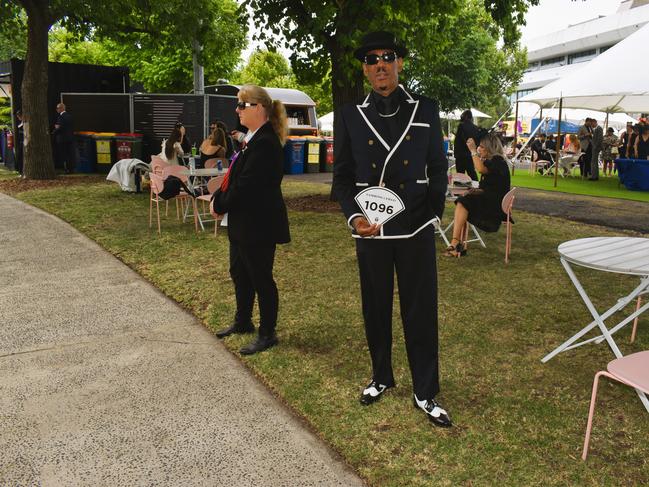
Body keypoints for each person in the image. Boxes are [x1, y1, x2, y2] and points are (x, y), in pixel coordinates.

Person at [332, 31, 451, 428]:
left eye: (387, 56)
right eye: (371, 59)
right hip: (371, 229)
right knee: (375, 305)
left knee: (421, 309)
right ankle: (381, 376)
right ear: (365, 70)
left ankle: (425, 390)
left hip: (415, 227)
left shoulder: (426, 108)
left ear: (399, 62)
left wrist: (432, 213)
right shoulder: (350, 115)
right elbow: (343, 177)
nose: (380, 64)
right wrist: (354, 217)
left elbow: (438, 167)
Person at [210, 84, 290, 355]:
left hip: (259, 226)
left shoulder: (266, 143)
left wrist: (219, 203)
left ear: (259, 108)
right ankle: (242, 321)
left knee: (260, 278)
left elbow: (247, 186)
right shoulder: (253, 139)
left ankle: (268, 334)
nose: (237, 110)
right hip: (243, 223)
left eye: (242, 105)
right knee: (240, 273)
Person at [445, 132, 511, 257]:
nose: (479, 149)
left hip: (495, 207)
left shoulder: (497, 160)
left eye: (482, 147)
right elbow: (492, 187)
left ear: (490, 148)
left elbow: (480, 169)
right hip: (492, 201)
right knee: (464, 200)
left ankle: (455, 243)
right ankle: (457, 244)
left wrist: (473, 150)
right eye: (478, 147)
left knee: (463, 202)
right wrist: (477, 191)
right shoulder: (495, 162)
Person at [454, 109, 479, 181]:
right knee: (472, 173)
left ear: (465, 116)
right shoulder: (475, 127)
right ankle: (477, 187)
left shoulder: (461, 126)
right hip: (470, 154)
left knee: (460, 175)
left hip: (460, 155)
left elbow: (459, 140)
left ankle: (459, 190)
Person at [52, 103, 76, 174]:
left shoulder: (61, 117)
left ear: (62, 108)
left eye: (58, 108)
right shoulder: (70, 116)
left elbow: (60, 128)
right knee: (70, 154)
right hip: (70, 138)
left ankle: (66, 169)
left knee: (64, 154)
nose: (57, 109)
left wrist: (54, 131)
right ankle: (71, 169)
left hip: (62, 139)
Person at [15, 110, 24, 176]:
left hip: (24, 142)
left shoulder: (25, 123)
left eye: (19, 116)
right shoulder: (20, 123)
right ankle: (20, 171)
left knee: (21, 157)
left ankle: (22, 171)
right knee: (19, 157)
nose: (18, 118)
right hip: (20, 142)